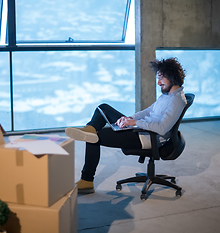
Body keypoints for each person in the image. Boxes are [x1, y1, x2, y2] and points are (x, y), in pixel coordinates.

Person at [65, 57, 187, 194]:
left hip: (147, 137)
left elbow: (162, 128)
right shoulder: (167, 95)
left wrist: (134, 123)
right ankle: (90, 128)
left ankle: (86, 181)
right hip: (140, 129)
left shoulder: (177, 100)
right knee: (103, 107)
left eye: (161, 78)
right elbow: (149, 111)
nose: (158, 83)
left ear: (172, 77)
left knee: (94, 138)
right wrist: (129, 118)